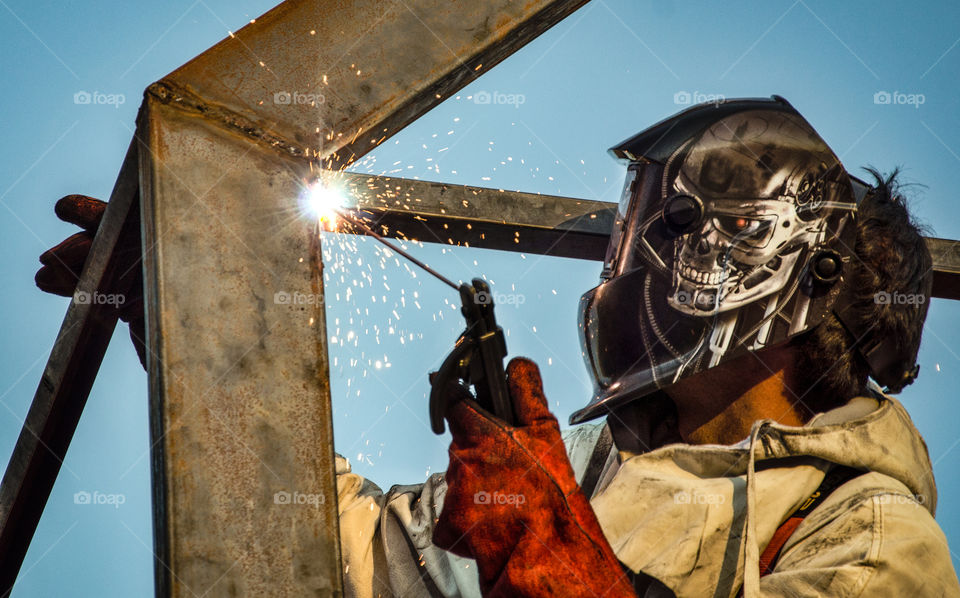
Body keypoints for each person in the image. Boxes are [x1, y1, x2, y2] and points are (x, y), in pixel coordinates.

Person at [37, 97, 960, 597]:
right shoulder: (578, 476)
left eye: (675, 225)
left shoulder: (871, 534)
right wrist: (200, 346)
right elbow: (315, 555)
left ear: (808, 270)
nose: (636, 262)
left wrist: (585, 585)